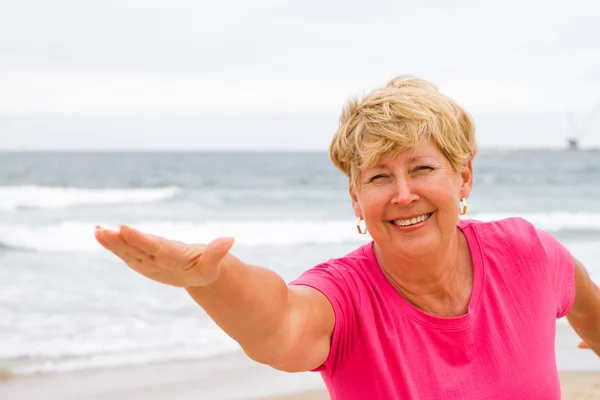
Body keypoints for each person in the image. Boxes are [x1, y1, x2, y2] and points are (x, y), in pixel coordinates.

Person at [94, 75, 600, 399]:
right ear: (357, 199)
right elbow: (279, 325)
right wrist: (210, 279)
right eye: (379, 177)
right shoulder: (345, 298)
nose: (403, 194)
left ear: (463, 178)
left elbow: (586, 302)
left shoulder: (525, 254)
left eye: (421, 168)